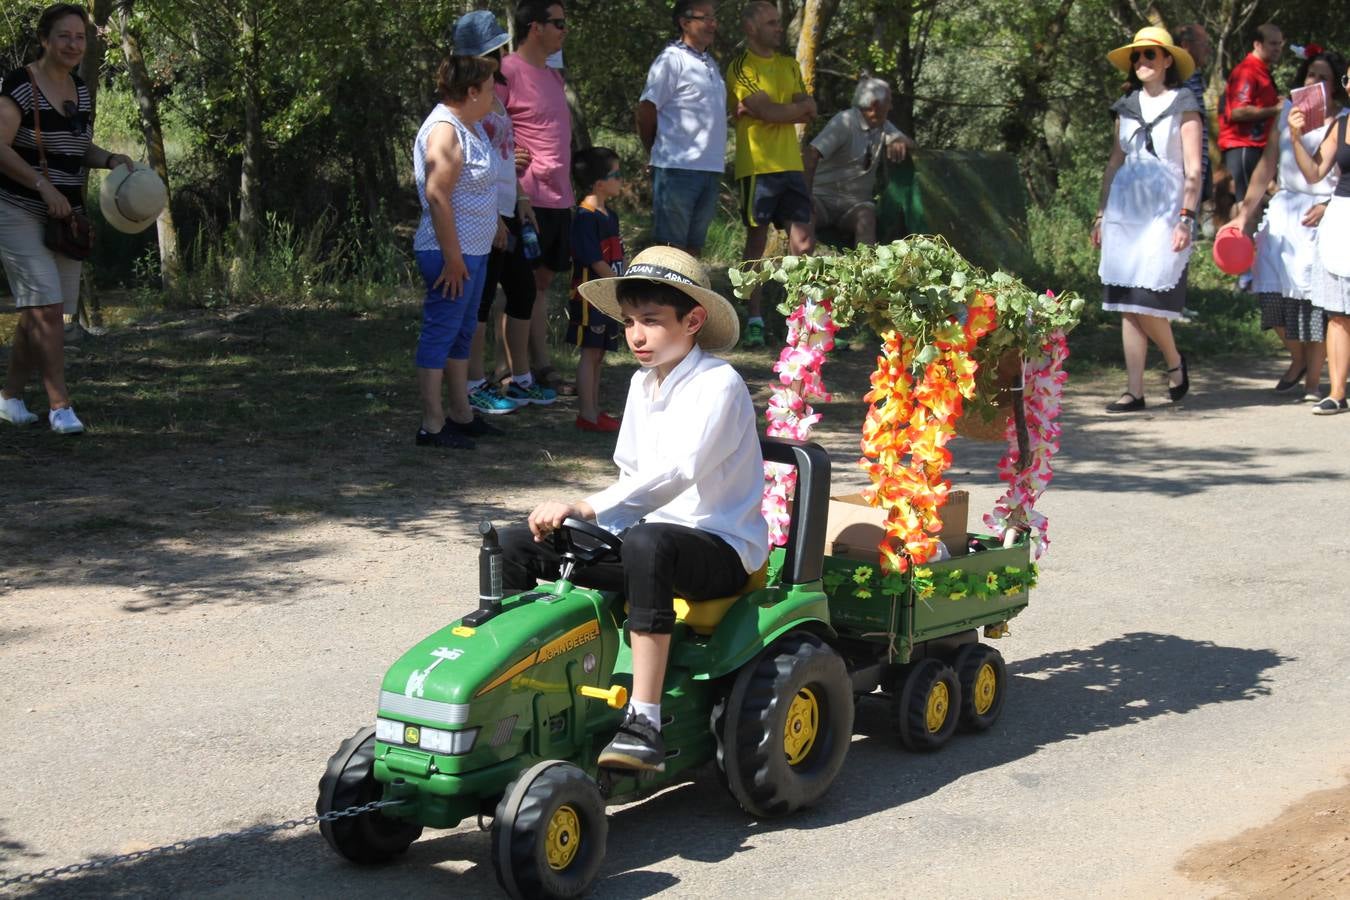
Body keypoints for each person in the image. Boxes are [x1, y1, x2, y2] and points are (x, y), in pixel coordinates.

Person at [498, 246, 766, 771]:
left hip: (722, 547)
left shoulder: (720, 384)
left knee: (646, 544)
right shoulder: (644, 383)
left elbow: (675, 473)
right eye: (628, 323)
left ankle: (644, 721)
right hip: (655, 537)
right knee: (517, 541)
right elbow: (632, 476)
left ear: (692, 321)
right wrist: (581, 527)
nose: (637, 336)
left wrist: (584, 505)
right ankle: (517, 690)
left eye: (651, 321)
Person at [0, 3, 133, 434]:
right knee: (48, 304)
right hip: (17, 208)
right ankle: (60, 406)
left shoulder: (80, 90)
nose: (73, 44)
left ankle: (9, 399)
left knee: (39, 311)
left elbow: (76, 149)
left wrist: (110, 158)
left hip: (65, 219)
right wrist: (43, 186)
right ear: (44, 39)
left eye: (79, 37)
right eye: (64, 36)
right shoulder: (19, 86)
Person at [1092, 26, 1202, 413]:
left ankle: (1174, 359)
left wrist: (1186, 217)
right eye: (1137, 57)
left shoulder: (1184, 102)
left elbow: (1193, 167)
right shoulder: (1126, 106)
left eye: (1150, 55)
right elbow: (1114, 160)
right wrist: (1102, 212)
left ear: (1167, 59)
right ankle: (1134, 390)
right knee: (1126, 301)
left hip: (1165, 205)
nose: (1142, 62)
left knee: (1146, 297)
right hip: (1126, 205)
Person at [452, 10, 554, 418]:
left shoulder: (496, 91)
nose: (500, 53)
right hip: (483, 212)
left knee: (523, 290)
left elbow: (505, 155)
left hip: (509, 207)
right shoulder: (467, 98)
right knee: (480, 300)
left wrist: (523, 199)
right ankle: (474, 383)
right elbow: (473, 163)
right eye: (493, 47)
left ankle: (519, 378)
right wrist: (493, 215)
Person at [1230, 50, 1346, 402]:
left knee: (1312, 303)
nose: (1314, 82)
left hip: (1321, 213)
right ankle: (1297, 360)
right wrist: (1244, 214)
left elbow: (1329, 172)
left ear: (1336, 85)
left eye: (1323, 77)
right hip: (1283, 211)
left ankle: (1313, 383)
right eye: (1310, 74)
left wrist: (1329, 205)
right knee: (1271, 296)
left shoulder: (1341, 118)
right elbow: (1266, 166)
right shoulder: (1285, 113)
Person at [411, 55, 501, 449]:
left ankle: (461, 414)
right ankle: (432, 425)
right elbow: (436, 194)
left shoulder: (472, 126)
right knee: (441, 332)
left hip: (472, 254)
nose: (495, 91)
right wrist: (452, 257)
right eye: (491, 84)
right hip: (451, 256)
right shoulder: (446, 129)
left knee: (462, 334)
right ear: (472, 91)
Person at [727, 0, 815, 348]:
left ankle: (804, 320)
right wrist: (779, 111)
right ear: (751, 28)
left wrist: (775, 111)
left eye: (779, 22)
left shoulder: (790, 65)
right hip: (758, 167)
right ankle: (754, 320)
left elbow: (808, 110)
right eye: (771, 23)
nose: (779, 28)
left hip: (790, 165)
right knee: (756, 244)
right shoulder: (740, 67)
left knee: (804, 244)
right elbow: (773, 110)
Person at [498, 0, 573, 400]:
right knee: (521, 286)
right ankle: (516, 370)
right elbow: (486, 121)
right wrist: (508, 154)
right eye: (558, 23)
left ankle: (532, 368)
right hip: (526, 197)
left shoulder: (552, 75)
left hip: (559, 196)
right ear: (534, 27)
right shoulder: (508, 71)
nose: (564, 29)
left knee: (541, 284)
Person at [636, 0, 726, 256]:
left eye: (714, 17)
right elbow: (646, 109)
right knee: (670, 250)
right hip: (677, 169)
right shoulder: (670, 60)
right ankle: (663, 296)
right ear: (684, 23)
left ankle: (685, 297)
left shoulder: (710, 62)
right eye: (705, 17)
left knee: (693, 250)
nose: (713, 23)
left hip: (710, 168)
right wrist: (653, 149)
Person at [1288, 60, 1350, 415]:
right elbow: (1313, 173)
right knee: (1339, 312)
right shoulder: (1340, 125)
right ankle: (1337, 393)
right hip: (1343, 217)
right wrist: (1295, 137)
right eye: (1349, 79)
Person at [804, 76, 915, 247]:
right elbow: (811, 153)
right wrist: (805, 194)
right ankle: (799, 268)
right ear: (875, 105)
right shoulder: (845, 122)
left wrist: (899, 140)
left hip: (853, 207)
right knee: (804, 214)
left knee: (867, 216)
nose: (891, 107)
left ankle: (867, 270)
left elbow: (912, 145)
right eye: (889, 102)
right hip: (821, 200)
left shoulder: (882, 124)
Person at [568, 147, 625, 432]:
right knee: (590, 353)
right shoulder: (585, 216)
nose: (620, 180)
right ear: (599, 183)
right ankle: (586, 414)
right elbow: (594, 259)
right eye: (616, 174)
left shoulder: (609, 215)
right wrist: (618, 286)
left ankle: (594, 409)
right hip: (589, 297)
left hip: (608, 295)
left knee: (600, 353)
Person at [1218, 23, 1284, 204]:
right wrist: (1276, 109)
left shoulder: (1262, 70)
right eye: (1272, 44)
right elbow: (1237, 112)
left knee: (1256, 205)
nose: (1277, 48)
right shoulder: (1248, 70)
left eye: (1280, 44)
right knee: (1246, 205)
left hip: (1258, 147)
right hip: (1244, 146)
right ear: (1257, 45)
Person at [1173, 24, 1213, 213]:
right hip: (1180, 180)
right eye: (1204, 43)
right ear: (1186, 45)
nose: (1208, 49)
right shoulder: (1178, 83)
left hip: (1195, 179)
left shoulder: (1195, 78)